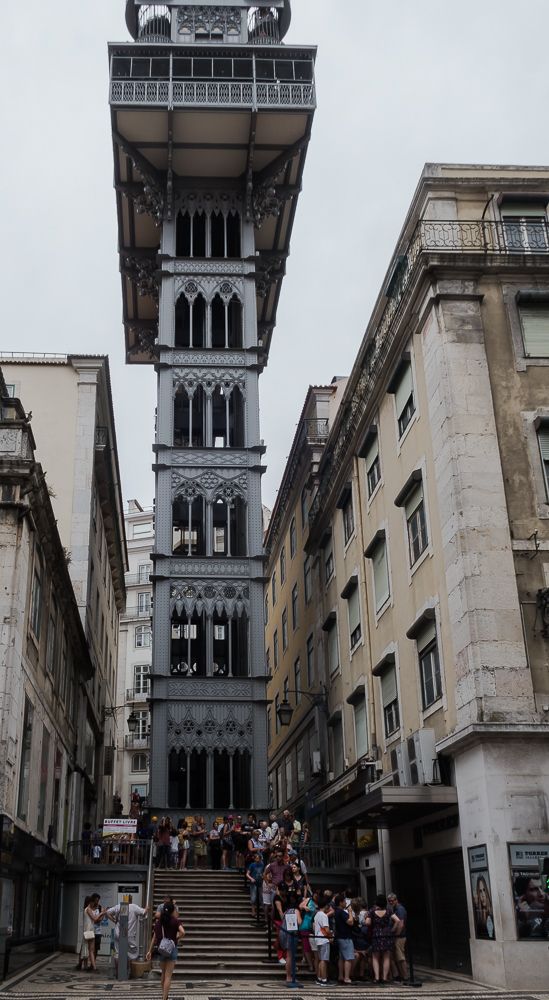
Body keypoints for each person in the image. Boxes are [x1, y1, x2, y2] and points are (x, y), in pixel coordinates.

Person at [146, 901, 185, 1000]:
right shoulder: (175, 921)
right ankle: (164, 998)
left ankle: (164, 996)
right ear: (172, 911)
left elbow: (154, 937)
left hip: (161, 949)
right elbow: (183, 932)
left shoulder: (159, 922)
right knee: (168, 976)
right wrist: (177, 938)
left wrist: (149, 951)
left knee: (163, 974)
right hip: (172, 949)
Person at [106, 895, 149, 975]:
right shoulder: (134, 907)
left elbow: (107, 912)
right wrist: (147, 908)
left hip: (118, 933)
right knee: (130, 953)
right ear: (131, 900)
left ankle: (119, 972)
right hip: (128, 935)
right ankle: (126, 971)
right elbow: (144, 912)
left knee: (118, 953)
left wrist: (114, 920)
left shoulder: (119, 906)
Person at [366, 893, 401, 985]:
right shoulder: (389, 911)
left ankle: (377, 977)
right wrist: (392, 930)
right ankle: (385, 978)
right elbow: (397, 920)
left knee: (375, 957)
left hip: (376, 934)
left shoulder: (372, 911)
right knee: (386, 957)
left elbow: (368, 923)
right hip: (386, 934)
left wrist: (367, 918)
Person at [514, 874, 549, 938]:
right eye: (534, 889)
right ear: (523, 896)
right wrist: (525, 920)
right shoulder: (517, 917)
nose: (541, 894)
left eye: (543, 888)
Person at [280, 890, 302, 985]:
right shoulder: (296, 910)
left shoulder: (286, 911)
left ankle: (289, 976)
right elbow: (299, 922)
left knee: (288, 955)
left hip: (284, 933)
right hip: (291, 934)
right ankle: (289, 977)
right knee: (290, 956)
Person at [78, 894, 105, 971]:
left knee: (87, 949)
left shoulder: (86, 909)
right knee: (90, 950)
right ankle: (93, 967)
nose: (94, 903)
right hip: (89, 931)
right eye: (93, 902)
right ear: (90, 902)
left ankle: (88, 966)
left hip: (88, 931)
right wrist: (101, 913)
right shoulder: (88, 909)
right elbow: (95, 918)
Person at [333, 893, 355, 984]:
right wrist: (350, 912)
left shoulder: (336, 911)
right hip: (346, 937)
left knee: (341, 958)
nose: (346, 903)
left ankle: (341, 976)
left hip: (340, 936)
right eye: (345, 901)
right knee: (348, 958)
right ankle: (346, 977)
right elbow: (350, 922)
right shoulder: (341, 912)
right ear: (341, 902)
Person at [387, 892, 409, 981]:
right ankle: (401, 975)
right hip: (397, 936)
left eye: (392, 901)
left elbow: (400, 924)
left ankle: (405, 976)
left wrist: (396, 935)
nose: (391, 902)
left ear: (396, 900)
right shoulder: (395, 909)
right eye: (389, 901)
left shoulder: (400, 909)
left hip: (399, 937)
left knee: (400, 957)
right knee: (397, 956)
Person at [313, 895, 334, 986]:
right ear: (325, 906)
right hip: (324, 939)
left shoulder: (317, 914)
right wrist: (331, 936)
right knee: (324, 960)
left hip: (318, 939)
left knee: (321, 959)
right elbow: (327, 929)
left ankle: (320, 978)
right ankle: (324, 979)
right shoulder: (324, 916)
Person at [246, 851, 265, 918]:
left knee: (261, 898)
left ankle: (263, 913)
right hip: (253, 883)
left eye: (258, 858)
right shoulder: (252, 865)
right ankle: (253, 912)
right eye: (256, 858)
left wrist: (263, 877)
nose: (257, 859)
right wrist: (251, 879)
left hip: (260, 883)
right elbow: (247, 874)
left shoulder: (262, 865)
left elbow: (263, 873)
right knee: (253, 898)